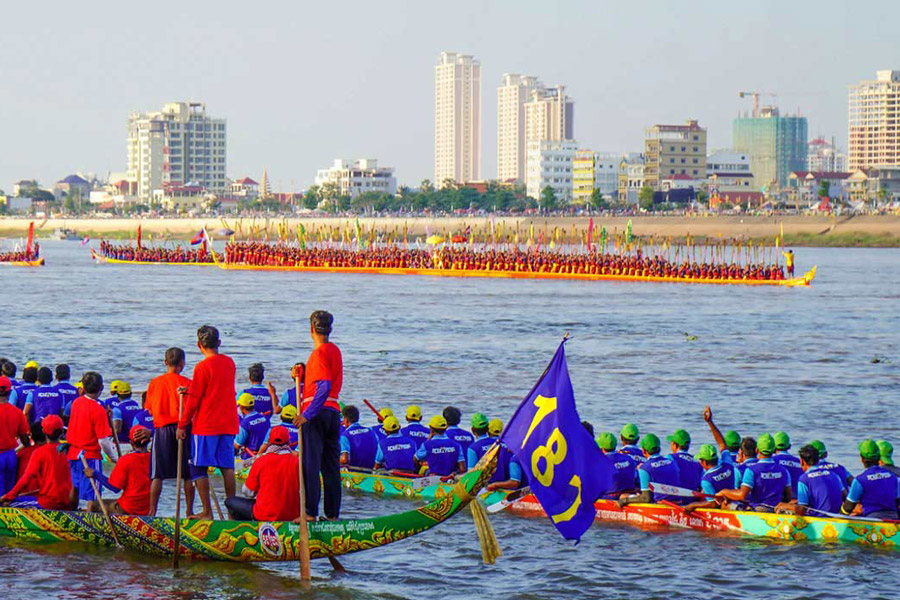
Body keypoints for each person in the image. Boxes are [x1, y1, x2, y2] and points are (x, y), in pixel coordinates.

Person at [178, 325, 239, 520]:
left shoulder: (202, 367)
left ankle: (206, 511)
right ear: (219, 343)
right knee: (227, 467)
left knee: (198, 467)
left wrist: (181, 424)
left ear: (199, 345)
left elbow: (195, 399)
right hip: (228, 422)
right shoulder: (229, 363)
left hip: (207, 424)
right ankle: (232, 511)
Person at [292, 310, 343, 521]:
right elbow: (320, 379)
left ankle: (310, 514)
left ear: (311, 330)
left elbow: (323, 386)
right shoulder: (334, 350)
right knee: (330, 467)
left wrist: (307, 414)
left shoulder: (319, 353)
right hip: (332, 413)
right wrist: (302, 374)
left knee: (310, 465)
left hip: (317, 412)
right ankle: (332, 516)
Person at [146, 347, 194, 517]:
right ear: (182, 363)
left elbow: (150, 410)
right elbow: (193, 409)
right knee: (188, 474)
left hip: (163, 430)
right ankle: (189, 511)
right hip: (183, 428)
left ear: (165, 362)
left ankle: (152, 511)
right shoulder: (188, 383)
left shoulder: (154, 383)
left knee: (158, 474)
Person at [224, 426, 300, 522]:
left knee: (230, 501)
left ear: (269, 441)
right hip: (294, 515)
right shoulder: (298, 462)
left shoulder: (261, 461)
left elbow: (248, 492)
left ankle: (248, 528)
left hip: (264, 514)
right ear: (289, 441)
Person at [66, 371, 118, 512]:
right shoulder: (98, 409)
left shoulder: (76, 403)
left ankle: (71, 513)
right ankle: (89, 520)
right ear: (101, 388)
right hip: (89, 455)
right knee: (93, 495)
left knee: (75, 486)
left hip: (73, 453)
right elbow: (103, 442)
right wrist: (114, 459)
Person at [0, 415, 72, 509]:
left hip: (47, 503)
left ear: (43, 431)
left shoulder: (40, 452)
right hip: (68, 502)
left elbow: (26, 478)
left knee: (3, 505)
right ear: (62, 431)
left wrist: (9, 496)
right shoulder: (70, 450)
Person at [84, 425, 153, 515]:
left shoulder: (126, 459)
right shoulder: (155, 459)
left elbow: (115, 488)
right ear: (148, 441)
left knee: (94, 504)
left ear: (131, 443)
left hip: (128, 509)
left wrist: (95, 474)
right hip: (148, 509)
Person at [715, 433, 791, 512]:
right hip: (777, 510)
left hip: (758, 510)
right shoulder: (784, 470)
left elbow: (742, 495)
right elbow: (787, 497)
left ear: (757, 450)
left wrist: (724, 492)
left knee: (725, 504)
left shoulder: (751, 470)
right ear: (774, 450)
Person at [776, 444, 843, 517]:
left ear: (802, 461)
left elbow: (801, 510)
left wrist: (784, 505)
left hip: (819, 519)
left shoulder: (804, 479)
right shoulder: (834, 474)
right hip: (836, 516)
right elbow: (844, 496)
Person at [841, 439, 900, 520]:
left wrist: (837, 516)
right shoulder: (894, 477)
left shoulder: (860, 481)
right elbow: (897, 502)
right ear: (879, 458)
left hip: (871, 521)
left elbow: (848, 507)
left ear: (862, 459)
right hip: (893, 519)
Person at [617, 433, 682, 506]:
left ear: (644, 451)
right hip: (678, 502)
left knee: (623, 496)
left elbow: (646, 498)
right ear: (659, 449)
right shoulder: (672, 462)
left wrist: (623, 501)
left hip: (661, 505)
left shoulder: (644, 468)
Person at [684, 445, 737, 513]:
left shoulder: (706, 480)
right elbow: (723, 446)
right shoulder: (728, 465)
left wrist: (693, 505)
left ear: (704, 462)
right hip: (733, 501)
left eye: (700, 460)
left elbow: (713, 504)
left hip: (723, 507)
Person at [0, 376, 30, 496]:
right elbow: (25, 438)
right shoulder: (17, 413)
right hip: (10, 456)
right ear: (10, 392)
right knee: (8, 495)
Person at [596, 432, 637, 499]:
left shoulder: (599, 463)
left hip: (610, 497)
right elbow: (635, 477)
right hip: (629, 493)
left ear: (601, 449)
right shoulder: (629, 458)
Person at [339, 405, 378, 469]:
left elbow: (344, 460)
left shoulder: (345, 435)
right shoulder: (371, 431)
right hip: (371, 468)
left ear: (345, 420)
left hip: (355, 470)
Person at [234, 393, 271, 459]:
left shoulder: (244, 423)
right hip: (265, 455)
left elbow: (237, 445)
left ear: (241, 407)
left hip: (249, 457)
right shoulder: (265, 418)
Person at [772, 431, 803, 498]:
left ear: (773, 447)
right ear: (789, 446)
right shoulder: (800, 462)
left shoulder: (772, 461)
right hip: (798, 498)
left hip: (780, 499)